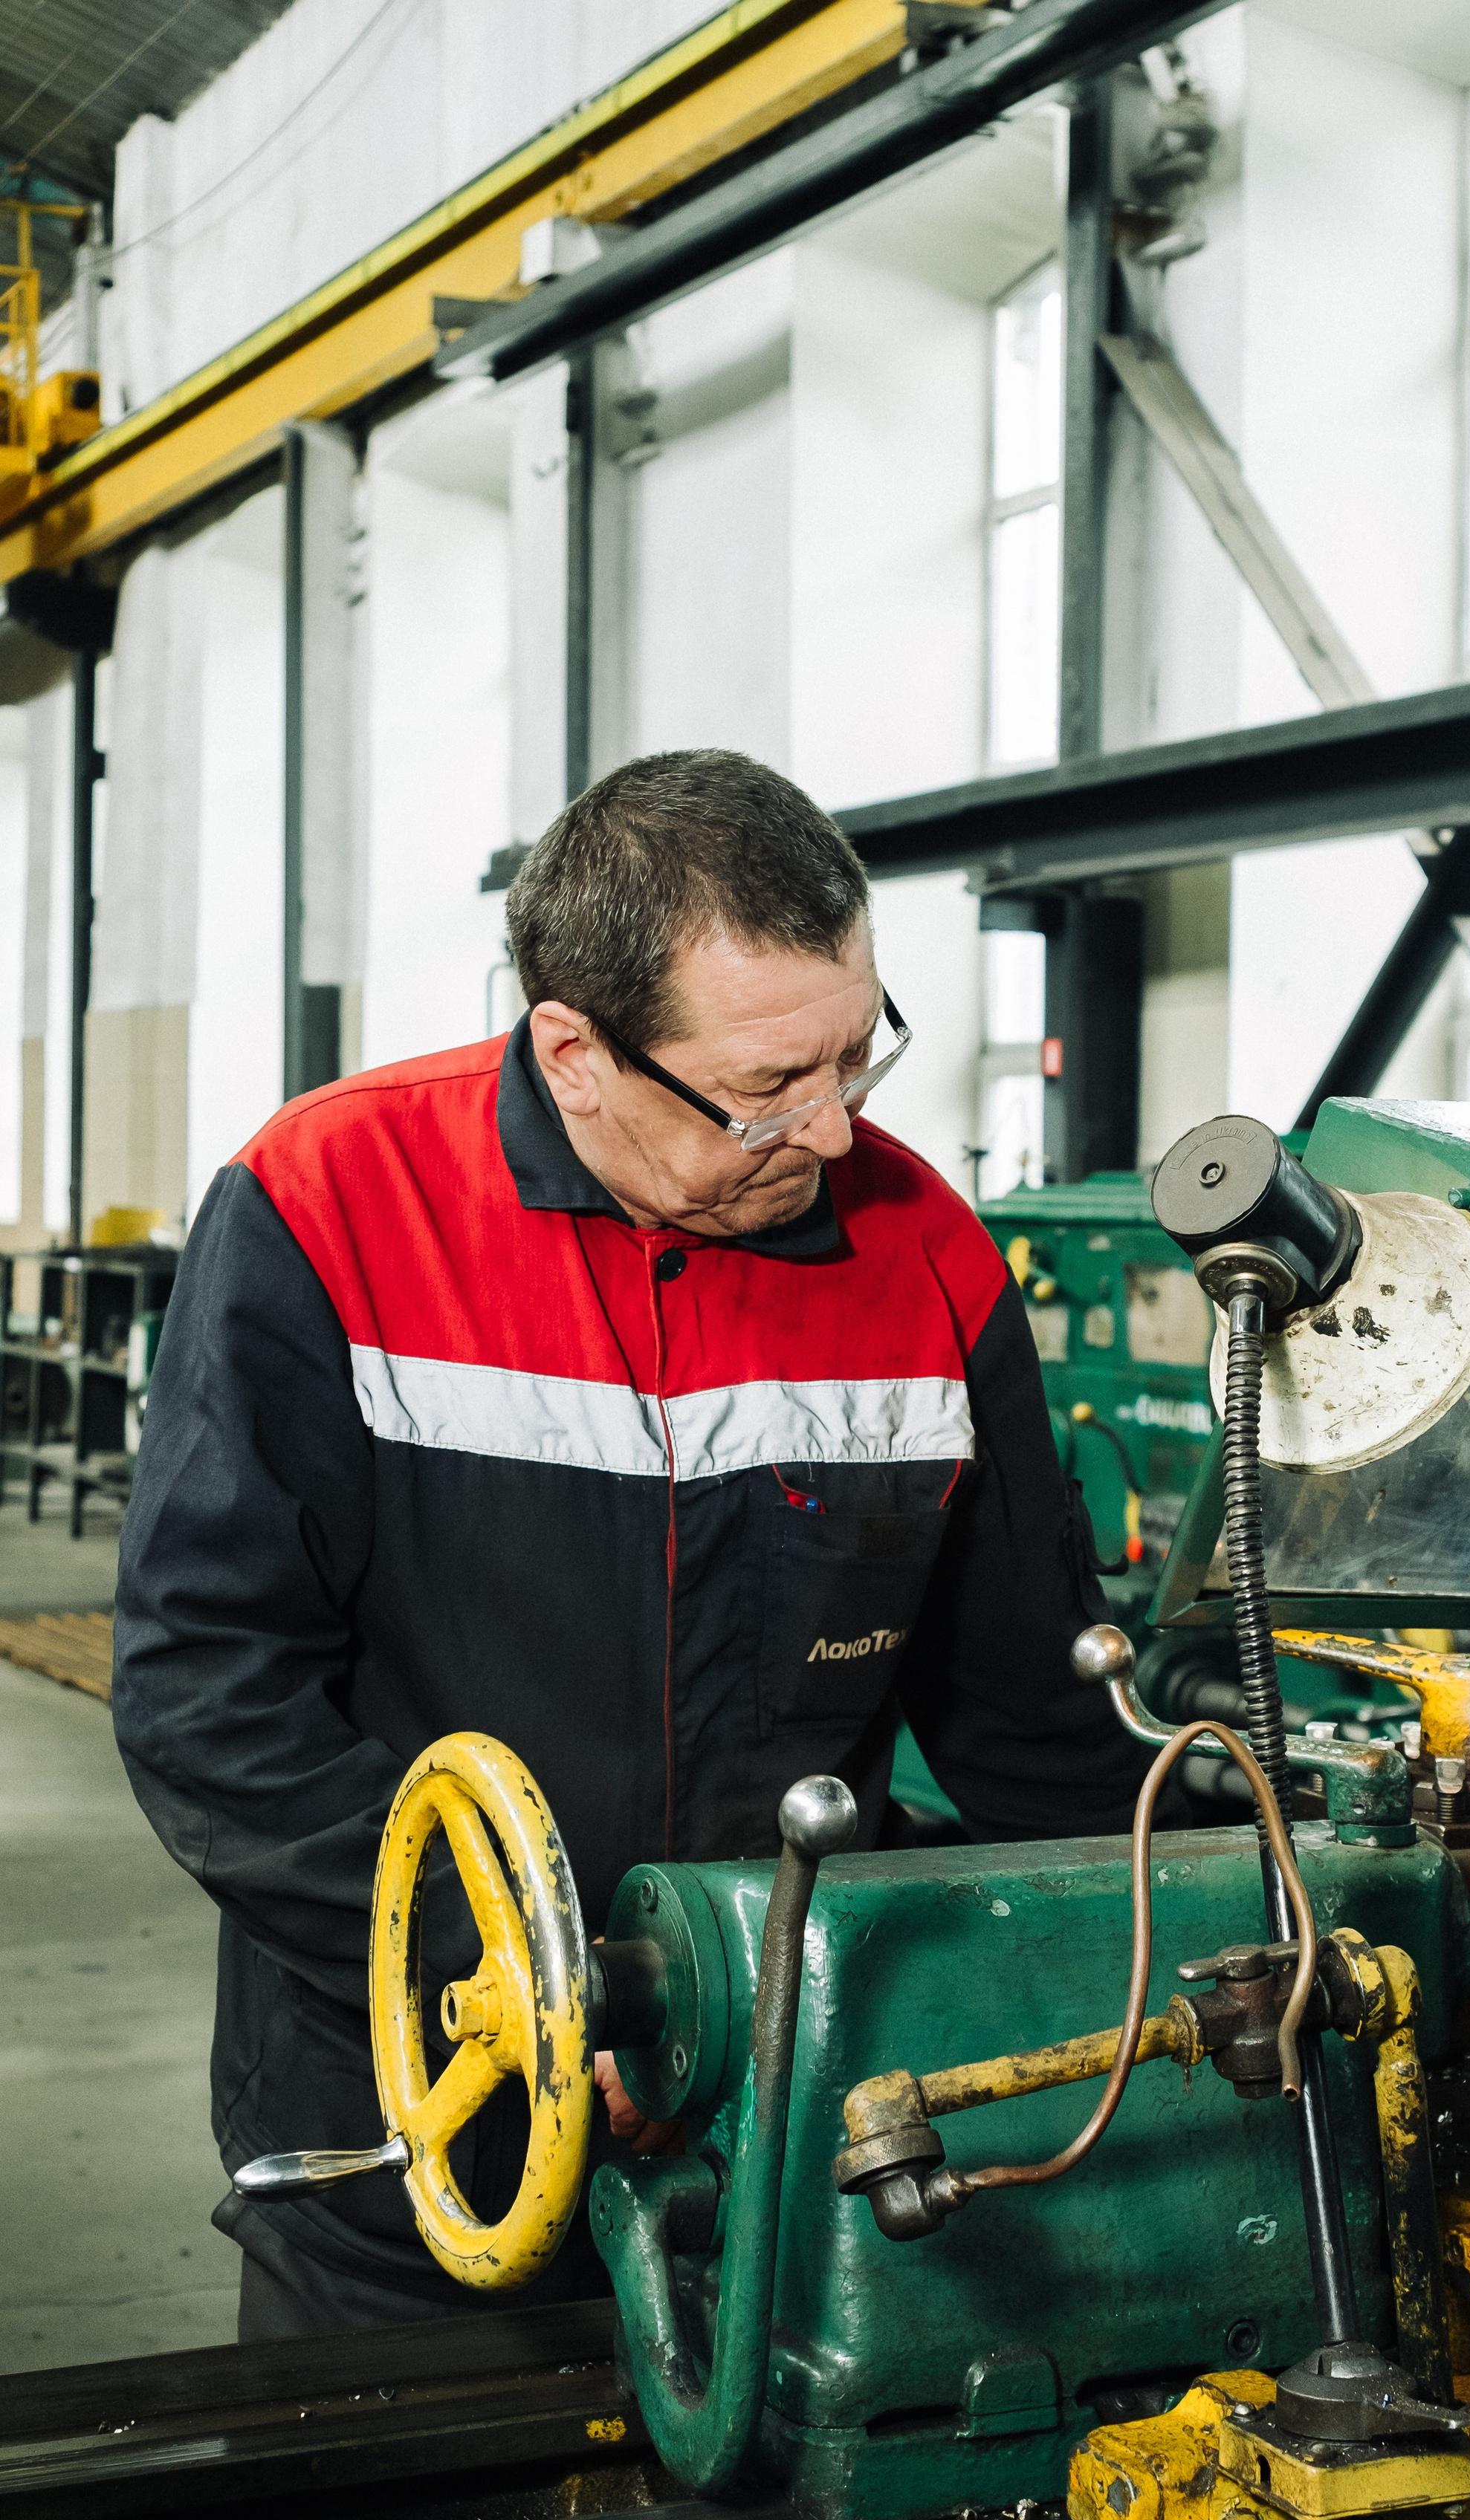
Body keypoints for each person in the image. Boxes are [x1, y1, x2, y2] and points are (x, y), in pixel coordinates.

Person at [113, 748, 1156, 2340]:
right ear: (574, 1050)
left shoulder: (923, 1253)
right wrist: (543, 1995)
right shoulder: (329, 1208)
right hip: (423, 2136)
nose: (823, 1128)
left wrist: (1169, 1936)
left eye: (852, 1059)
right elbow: (210, 1700)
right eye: (760, 1093)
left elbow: (1027, 1718)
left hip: (806, 2126)